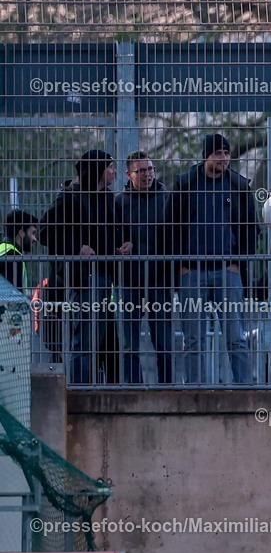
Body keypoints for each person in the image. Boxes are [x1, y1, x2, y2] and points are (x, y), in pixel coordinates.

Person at [165, 133, 259, 385]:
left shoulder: (238, 186)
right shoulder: (186, 184)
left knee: (236, 337)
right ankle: (197, 391)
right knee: (193, 340)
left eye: (226, 153)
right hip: (192, 272)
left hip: (227, 271)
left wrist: (238, 263)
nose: (223, 158)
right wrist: (181, 266)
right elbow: (169, 228)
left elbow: (251, 227)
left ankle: (245, 390)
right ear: (206, 155)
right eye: (218, 153)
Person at [39, 150, 132, 384]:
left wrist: (123, 244)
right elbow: (44, 231)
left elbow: (113, 231)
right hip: (84, 277)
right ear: (97, 171)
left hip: (106, 277)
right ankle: (79, 390)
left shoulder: (108, 197)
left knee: (108, 341)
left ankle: (107, 390)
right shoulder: (70, 197)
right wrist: (77, 248)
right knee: (86, 339)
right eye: (109, 167)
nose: (114, 172)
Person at [115, 151, 174, 385]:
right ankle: (133, 390)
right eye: (141, 171)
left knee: (164, 345)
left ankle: (166, 390)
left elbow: (175, 237)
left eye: (150, 169)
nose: (147, 174)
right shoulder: (119, 203)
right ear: (128, 174)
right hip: (129, 282)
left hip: (159, 281)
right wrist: (121, 244)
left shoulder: (167, 199)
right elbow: (112, 235)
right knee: (129, 345)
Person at [0, 209, 39, 293]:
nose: (35, 239)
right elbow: (13, 295)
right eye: (33, 233)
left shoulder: (3, 249)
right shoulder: (13, 256)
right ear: (21, 233)